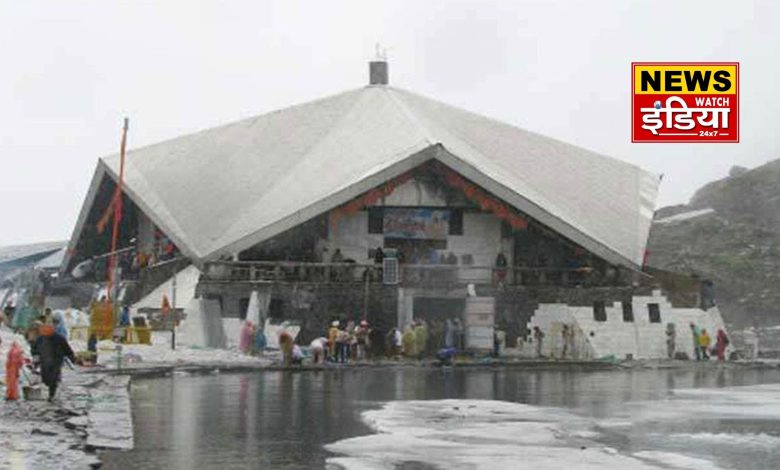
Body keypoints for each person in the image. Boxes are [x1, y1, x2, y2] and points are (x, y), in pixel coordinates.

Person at [34, 323, 76, 402]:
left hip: (56, 361)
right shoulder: (40, 339)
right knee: (45, 378)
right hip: (44, 361)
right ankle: (50, 385)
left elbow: (67, 349)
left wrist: (72, 358)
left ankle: (51, 395)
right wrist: (35, 357)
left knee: (53, 378)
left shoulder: (59, 338)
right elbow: (34, 348)